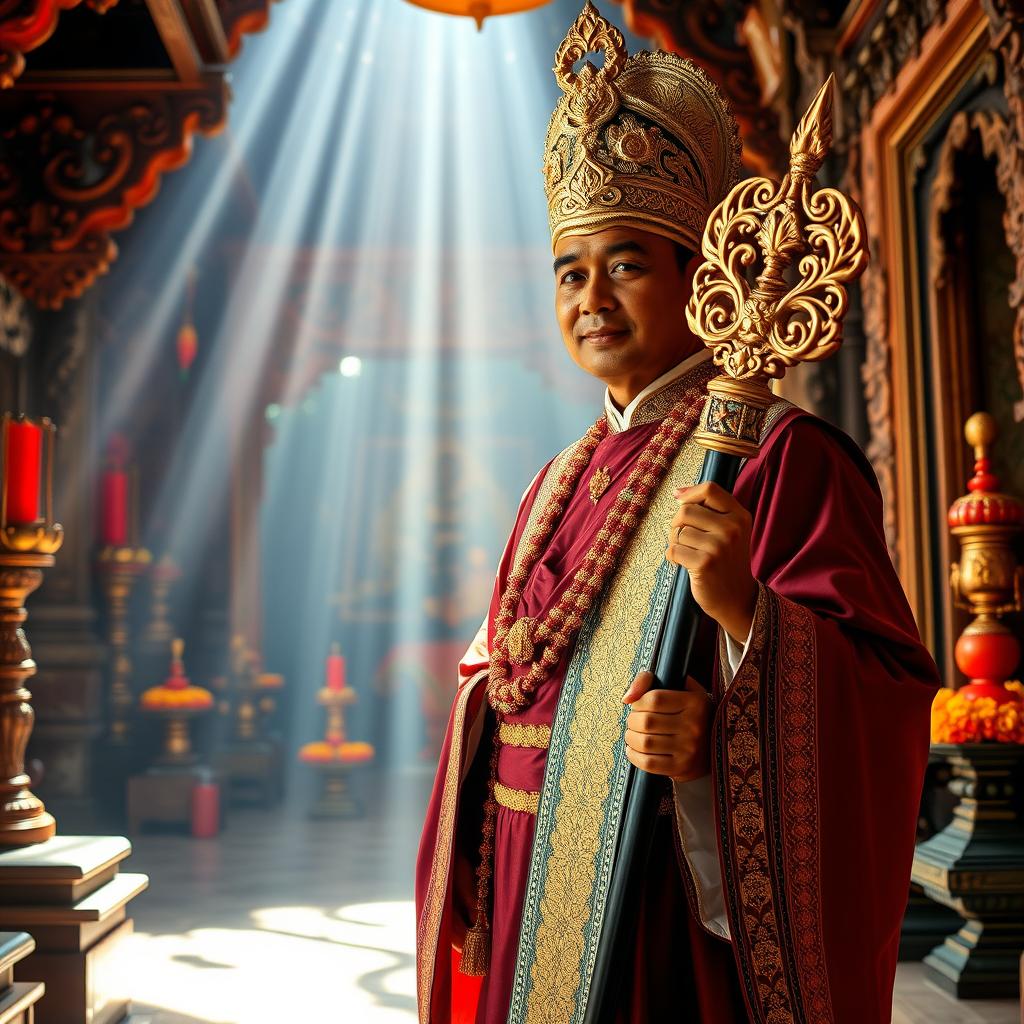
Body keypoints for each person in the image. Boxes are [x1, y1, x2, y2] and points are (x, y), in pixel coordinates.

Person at [416, 4, 939, 1022]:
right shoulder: (559, 478)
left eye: (624, 263)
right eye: (571, 271)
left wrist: (743, 646)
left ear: (700, 282)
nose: (591, 297)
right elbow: (512, 671)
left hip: (658, 886)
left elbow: (882, 693)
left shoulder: (782, 457)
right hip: (536, 879)